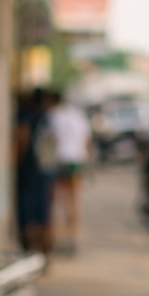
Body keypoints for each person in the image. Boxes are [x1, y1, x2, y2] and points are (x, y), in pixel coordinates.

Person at [14, 89, 59, 254]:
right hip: (46, 170)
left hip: (29, 172)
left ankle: (30, 251)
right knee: (44, 213)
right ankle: (45, 252)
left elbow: (22, 138)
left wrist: (14, 162)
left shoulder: (24, 116)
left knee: (27, 214)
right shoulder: (45, 117)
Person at [47, 96, 91, 255]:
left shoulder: (54, 115)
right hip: (76, 161)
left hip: (60, 161)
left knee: (58, 200)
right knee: (74, 202)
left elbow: (51, 139)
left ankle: (58, 238)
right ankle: (72, 239)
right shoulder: (80, 117)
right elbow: (86, 142)